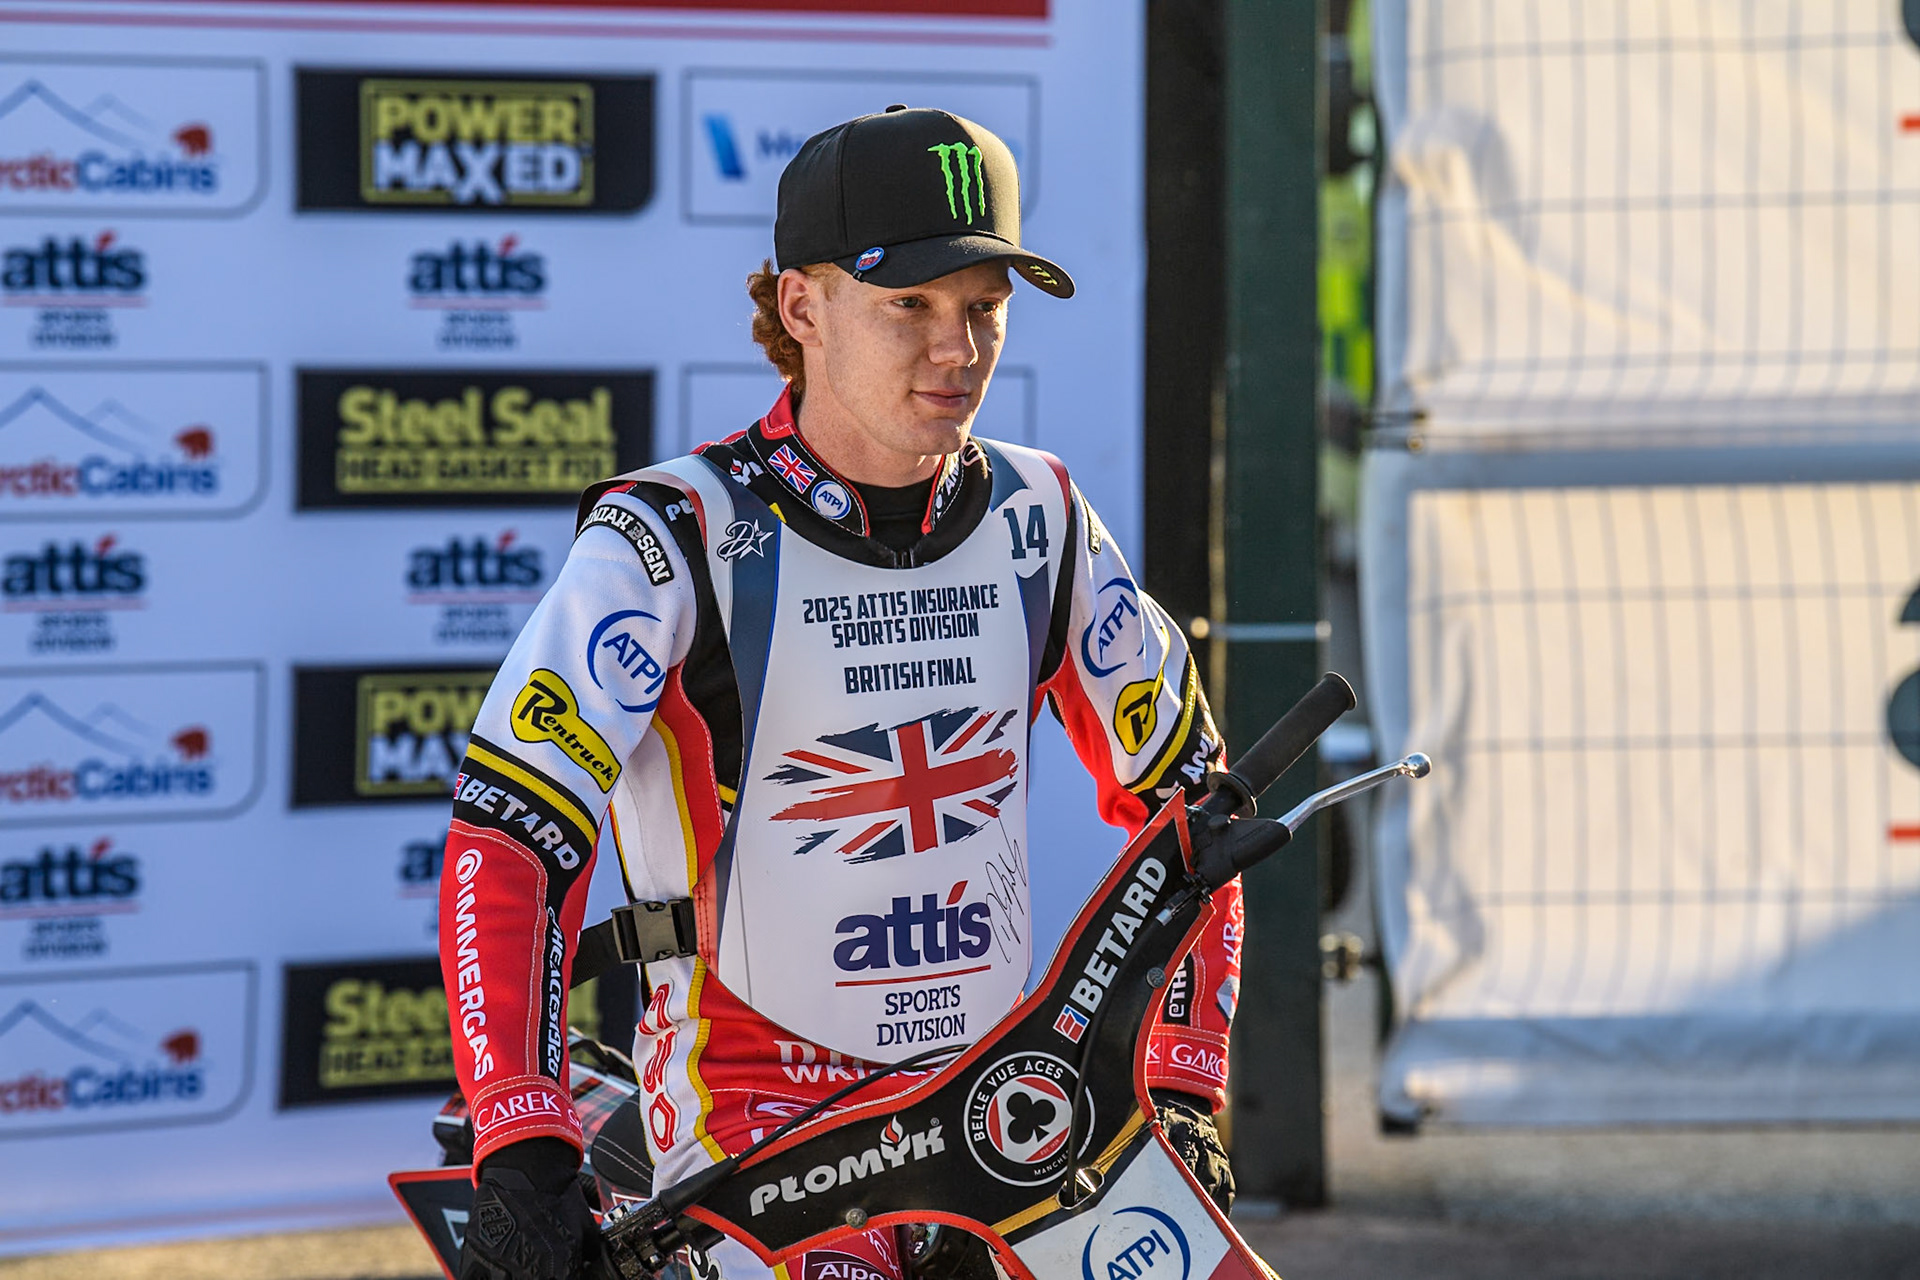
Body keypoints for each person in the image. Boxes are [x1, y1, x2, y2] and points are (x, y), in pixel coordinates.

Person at [441, 105, 1243, 1280]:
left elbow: (1197, 807)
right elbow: (512, 832)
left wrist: (1180, 1077)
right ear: (802, 306)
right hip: (758, 1129)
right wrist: (520, 1134)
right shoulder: (671, 535)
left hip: (997, 1111)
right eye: (909, 304)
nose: (957, 349)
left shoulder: (1042, 516)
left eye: (984, 306)